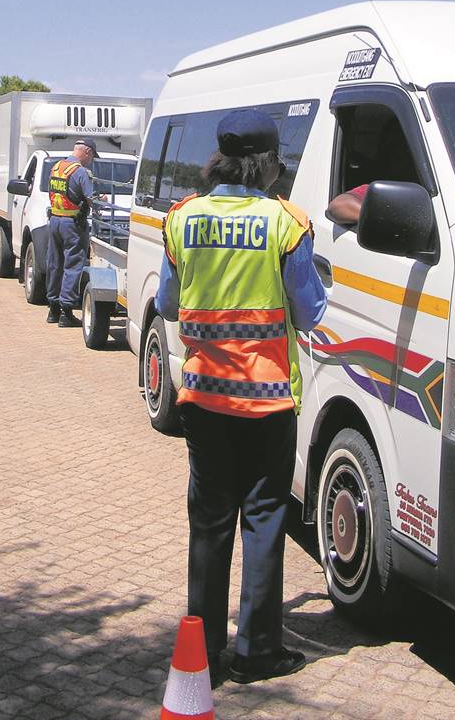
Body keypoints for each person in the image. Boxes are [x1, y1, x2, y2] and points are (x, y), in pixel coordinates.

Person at [156, 108, 327, 685]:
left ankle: (200, 650)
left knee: (208, 524)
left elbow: (167, 305)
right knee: (264, 520)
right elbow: (309, 313)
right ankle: (257, 653)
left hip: (203, 400)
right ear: (266, 164)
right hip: (268, 402)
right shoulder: (287, 224)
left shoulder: (181, 219)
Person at [45, 138, 98, 327]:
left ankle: (53, 309)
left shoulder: (57, 167)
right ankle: (66, 313)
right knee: (72, 264)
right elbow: (91, 198)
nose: (91, 160)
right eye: (92, 156)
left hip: (55, 221)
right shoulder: (80, 172)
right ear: (87, 151)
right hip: (73, 225)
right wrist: (101, 201)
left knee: (54, 263)